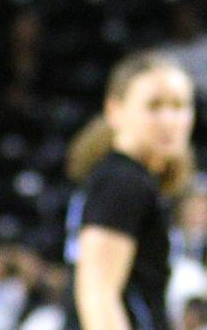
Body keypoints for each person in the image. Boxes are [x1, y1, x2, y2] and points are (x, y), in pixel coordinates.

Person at [64, 53, 195, 330]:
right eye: (154, 106)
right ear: (114, 111)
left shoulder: (122, 176)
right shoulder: (123, 181)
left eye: (179, 106)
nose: (169, 119)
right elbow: (98, 295)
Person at [164, 187, 207, 329]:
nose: (198, 210)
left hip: (204, 310)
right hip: (169, 309)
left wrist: (194, 309)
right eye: (193, 204)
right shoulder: (171, 236)